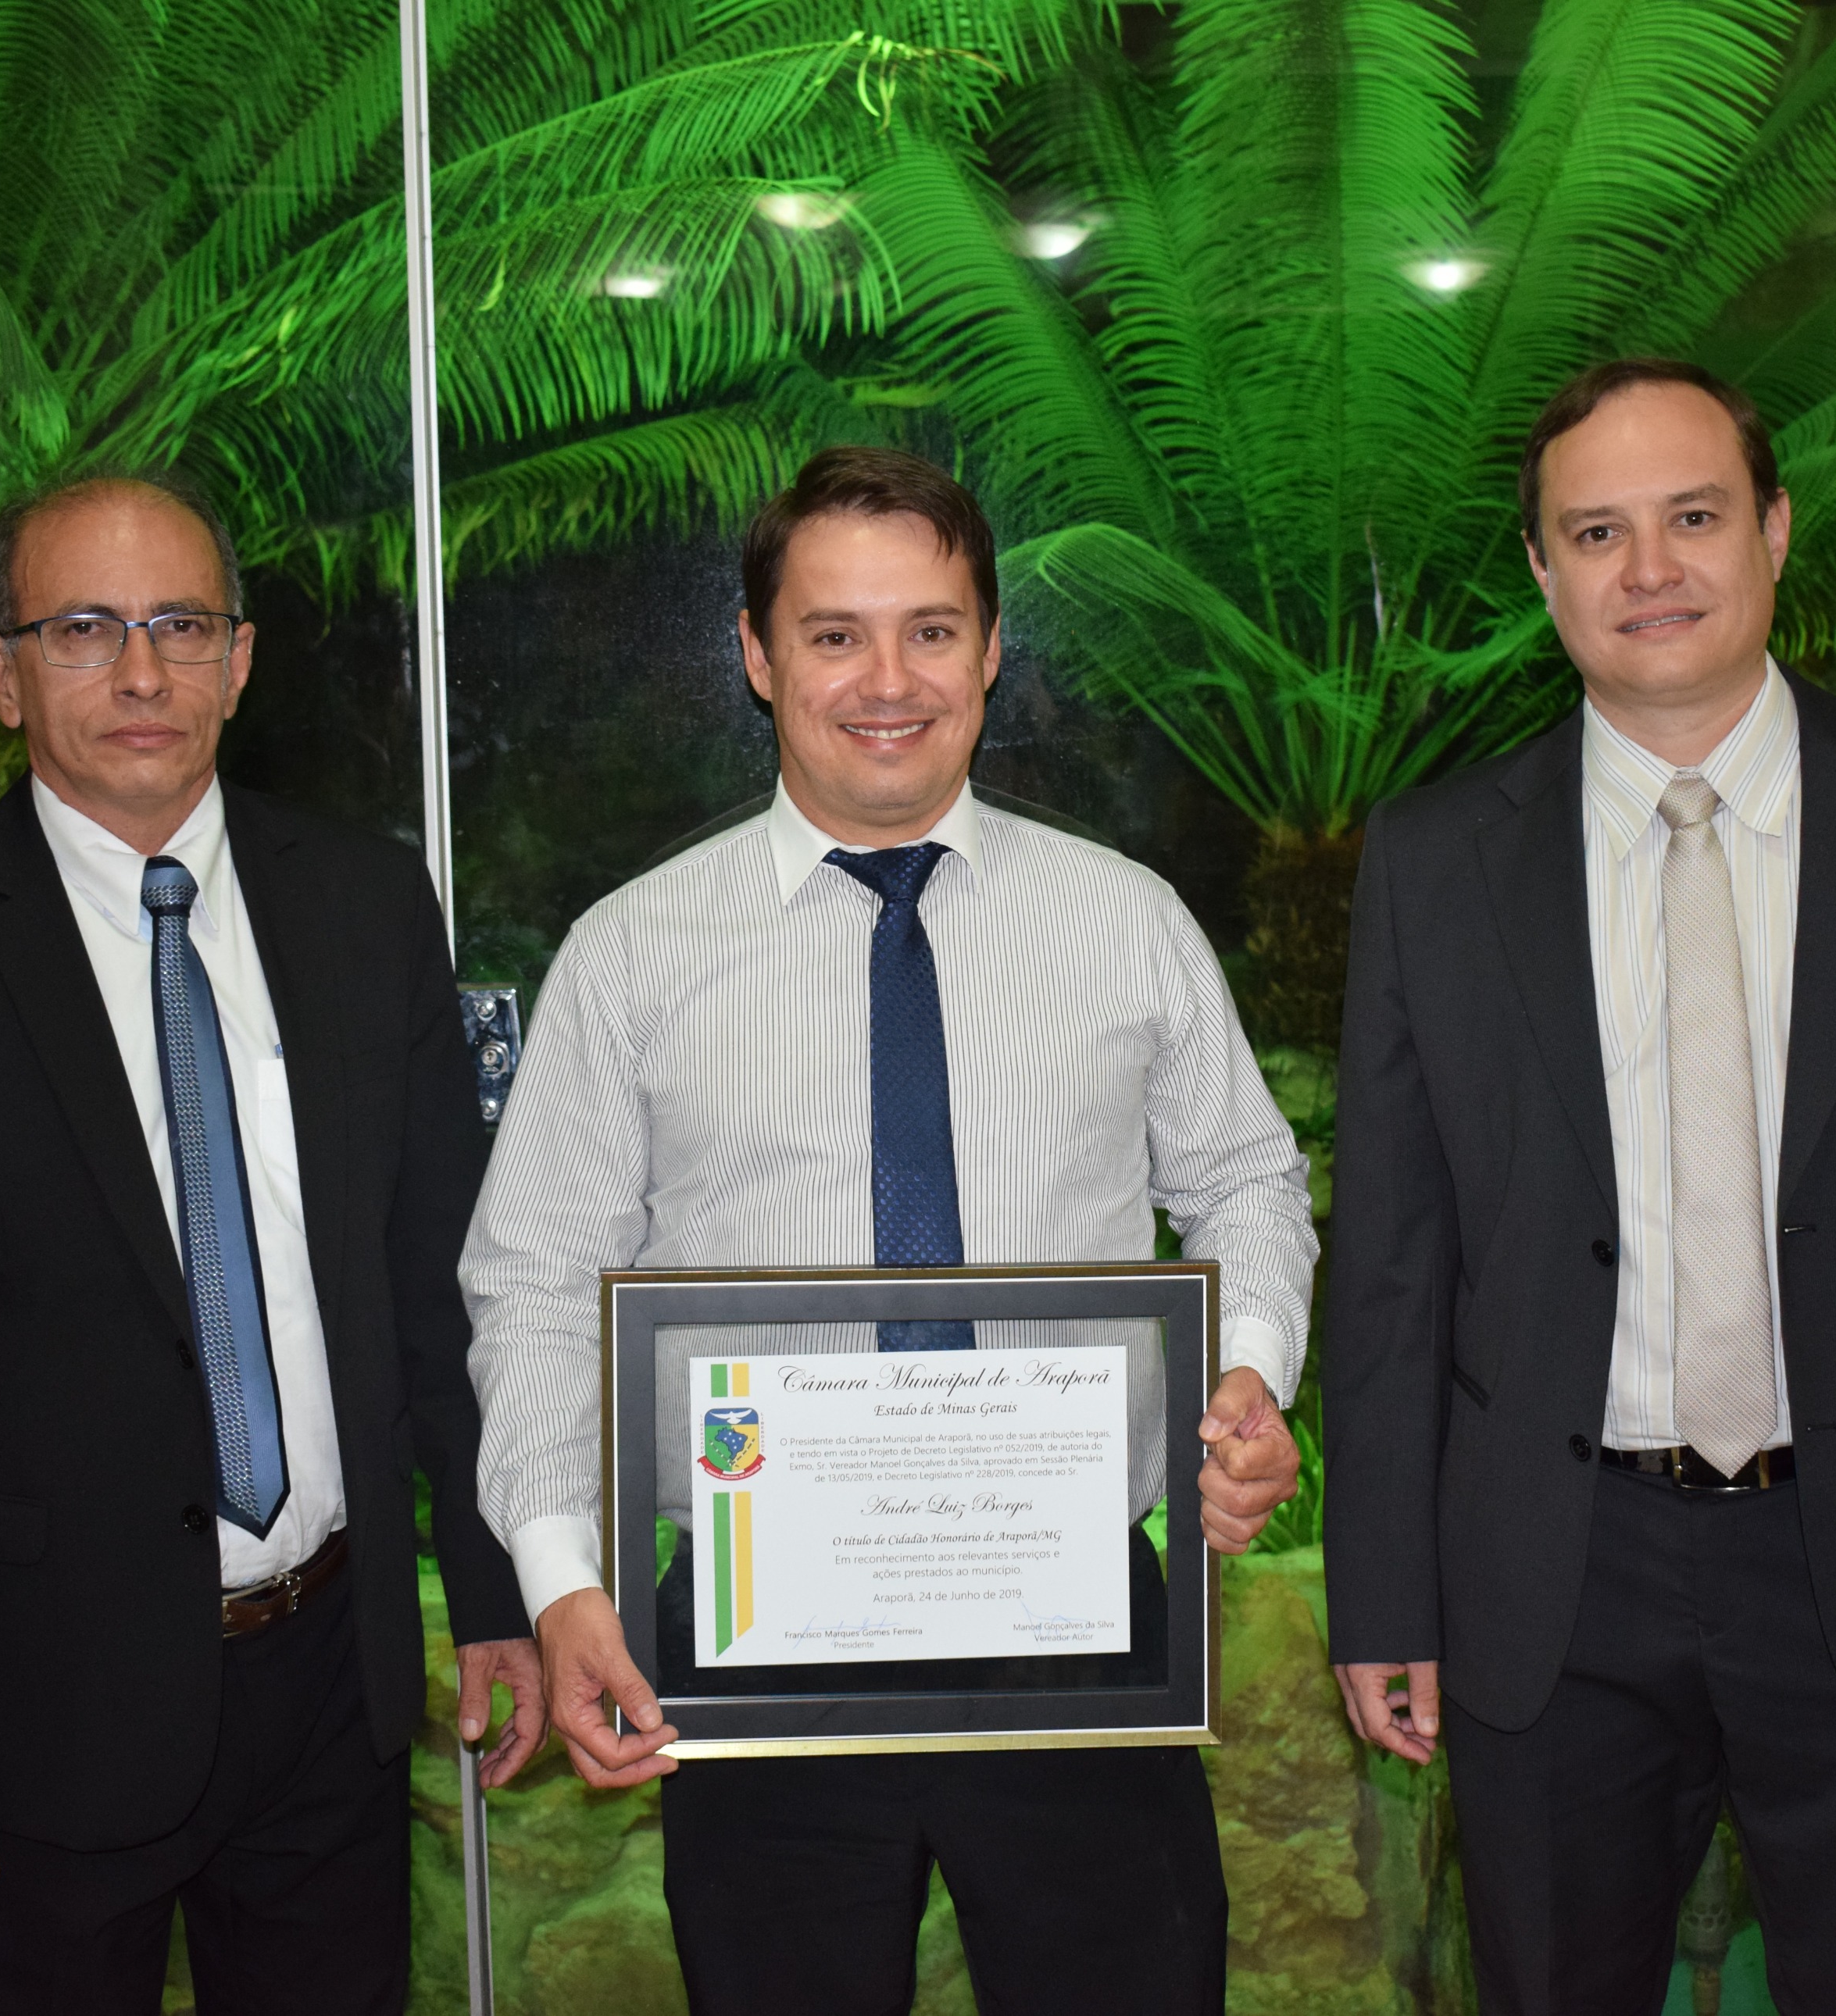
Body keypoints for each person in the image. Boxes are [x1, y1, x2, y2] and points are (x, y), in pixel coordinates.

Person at [1323, 359, 1836, 2013]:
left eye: (1692, 516)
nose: (1650, 569)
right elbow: (1396, 1260)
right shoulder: (1432, 858)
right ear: (1541, 570)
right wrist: (1383, 1592)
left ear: (1773, 530)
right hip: (1554, 1580)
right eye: (1596, 532)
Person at [461, 445, 1316, 2014]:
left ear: (989, 652)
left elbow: (1247, 1179)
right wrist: (563, 1573)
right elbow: (537, 1281)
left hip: (1077, 1620)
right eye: (834, 633)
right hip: (754, 1633)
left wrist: (1248, 1372)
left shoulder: (1124, 920)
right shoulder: (630, 953)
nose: (886, 680)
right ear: (755, 651)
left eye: (930, 629)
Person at [0, 471, 544, 2013]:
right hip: (44, 1710)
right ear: (1, 672)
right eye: (83, 629)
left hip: (329, 1685)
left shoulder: (366, 902)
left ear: (239, 661)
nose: (141, 672)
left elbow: (436, 1290)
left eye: (181, 625)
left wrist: (496, 1592)